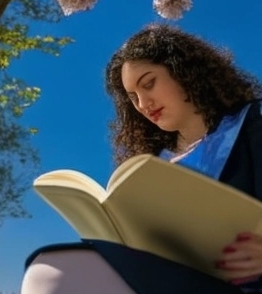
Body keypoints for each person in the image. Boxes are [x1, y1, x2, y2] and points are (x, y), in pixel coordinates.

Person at [20, 24, 262, 294]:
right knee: (51, 269)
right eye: (133, 97)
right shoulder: (152, 167)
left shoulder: (253, 125)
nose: (144, 104)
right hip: (166, 280)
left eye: (149, 83)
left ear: (184, 70)